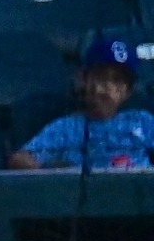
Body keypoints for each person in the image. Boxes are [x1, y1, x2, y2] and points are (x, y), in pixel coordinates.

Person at [8, 36, 154, 172]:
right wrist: (51, 169)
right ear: (83, 79)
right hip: (86, 188)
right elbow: (19, 159)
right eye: (101, 77)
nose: (108, 87)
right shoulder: (67, 127)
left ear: (128, 91)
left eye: (118, 80)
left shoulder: (142, 121)